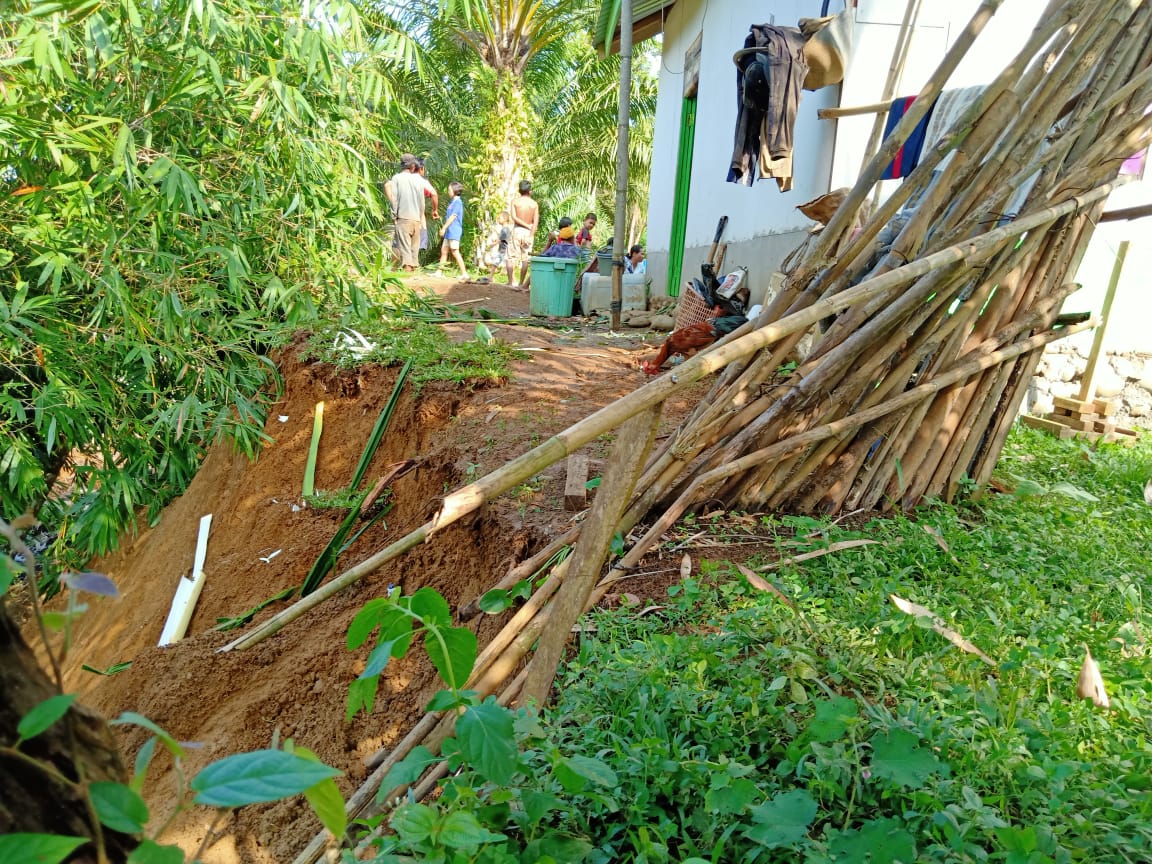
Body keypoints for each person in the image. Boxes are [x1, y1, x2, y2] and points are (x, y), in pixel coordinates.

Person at [385, 154, 438, 272]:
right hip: (417, 220)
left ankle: (408, 281)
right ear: (413, 166)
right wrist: (427, 214)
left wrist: (394, 215)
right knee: (414, 254)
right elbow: (428, 196)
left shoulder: (396, 178)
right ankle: (414, 279)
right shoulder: (419, 179)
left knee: (405, 254)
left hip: (403, 219)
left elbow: (395, 199)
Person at [508, 180, 539, 289]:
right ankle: (521, 283)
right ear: (530, 191)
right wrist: (531, 234)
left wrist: (525, 225)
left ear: (520, 190)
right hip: (528, 232)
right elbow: (535, 222)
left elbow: (514, 217)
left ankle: (510, 282)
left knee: (511, 257)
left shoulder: (515, 202)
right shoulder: (534, 204)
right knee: (525, 258)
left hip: (517, 230)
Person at [435, 182, 468, 280]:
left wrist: (444, 228)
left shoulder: (458, 202)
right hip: (449, 231)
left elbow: (453, 216)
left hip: (454, 230)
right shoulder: (452, 202)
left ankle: (464, 273)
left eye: (449, 190)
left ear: (455, 191)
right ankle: (439, 271)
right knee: (444, 250)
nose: (448, 192)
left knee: (454, 251)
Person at [483, 211, 513, 283]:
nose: (498, 219)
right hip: (503, 249)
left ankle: (491, 278)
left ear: (505, 219)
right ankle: (511, 281)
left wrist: (492, 245)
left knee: (496, 263)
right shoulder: (505, 229)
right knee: (498, 264)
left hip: (504, 250)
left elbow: (500, 240)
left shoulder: (505, 229)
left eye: (500, 218)